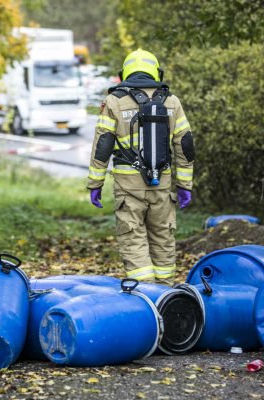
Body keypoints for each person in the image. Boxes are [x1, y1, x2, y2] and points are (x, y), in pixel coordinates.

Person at [87, 49, 194, 285]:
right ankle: (165, 294)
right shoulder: (172, 101)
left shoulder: (114, 101)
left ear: (124, 73)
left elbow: (102, 146)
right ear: (156, 72)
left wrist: (95, 183)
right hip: (162, 187)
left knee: (133, 239)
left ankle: (145, 294)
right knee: (163, 239)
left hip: (129, 189)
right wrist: (184, 185)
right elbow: (185, 145)